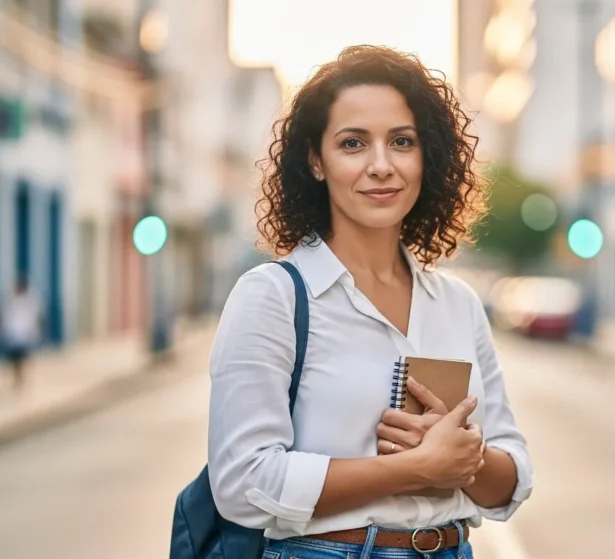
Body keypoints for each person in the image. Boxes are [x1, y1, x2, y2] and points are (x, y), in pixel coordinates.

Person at [207, 46, 533, 558]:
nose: (381, 166)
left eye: (402, 141)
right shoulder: (272, 297)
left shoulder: (457, 303)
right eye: (353, 143)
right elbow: (241, 484)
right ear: (316, 160)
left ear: (429, 157)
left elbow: (511, 480)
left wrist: (466, 458)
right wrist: (414, 467)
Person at [0, 277, 44, 391]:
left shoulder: (31, 299)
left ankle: (21, 377)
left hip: (26, 334)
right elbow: (0, 314)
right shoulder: (9, 299)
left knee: (23, 357)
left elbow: (38, 317)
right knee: (13, 358)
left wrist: (38, 331)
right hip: (11, 334)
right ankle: (17, 376)